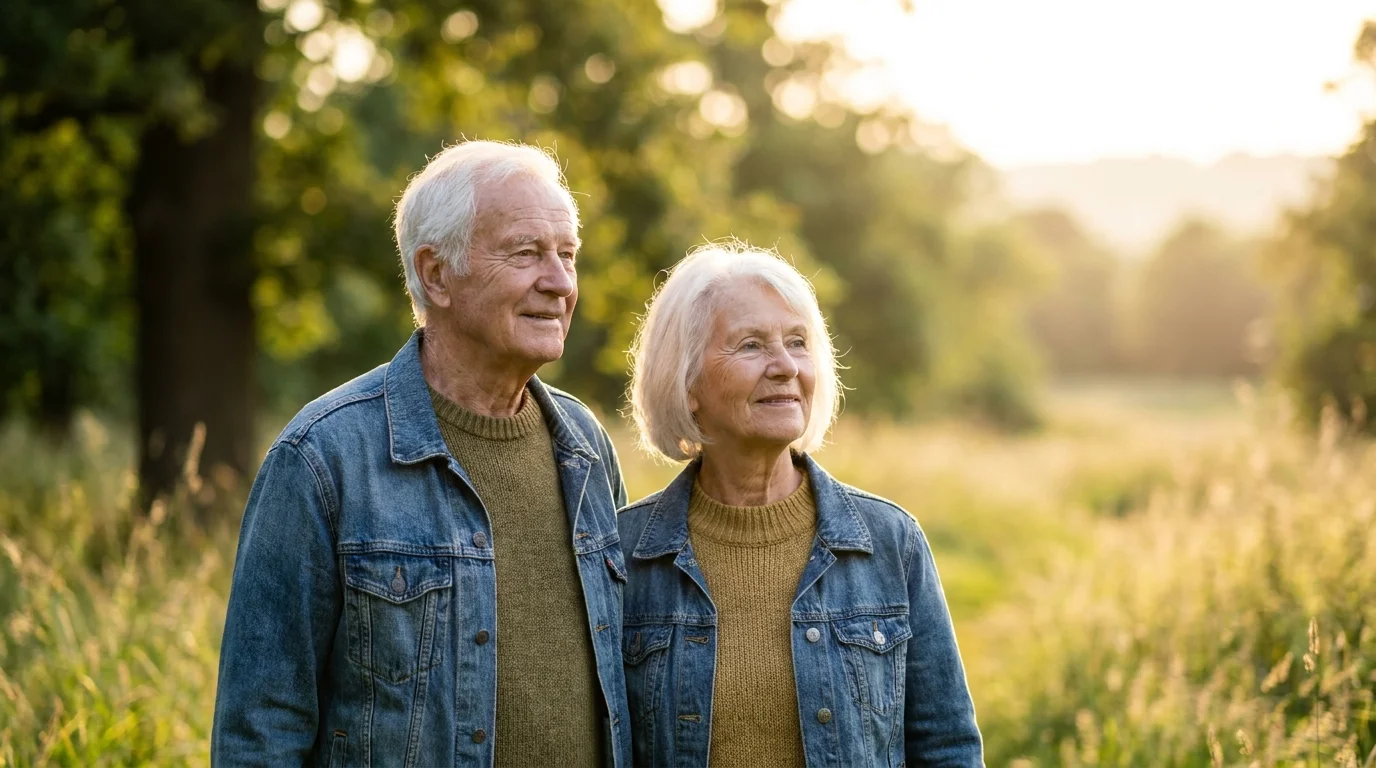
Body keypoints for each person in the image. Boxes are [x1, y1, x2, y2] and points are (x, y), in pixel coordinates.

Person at [212, 140, 632, 767]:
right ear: (436, 274)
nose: (560, 281)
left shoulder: (585, 446)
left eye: (568, 254)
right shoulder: (323, 457)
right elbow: (260, 729)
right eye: (526, 253)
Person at [617, 242, 984, 767]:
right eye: (750, 345)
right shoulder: (626, 556)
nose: (786, 366)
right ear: (686, 380)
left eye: (797, 342)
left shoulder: (889, 542)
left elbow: (948, 749)